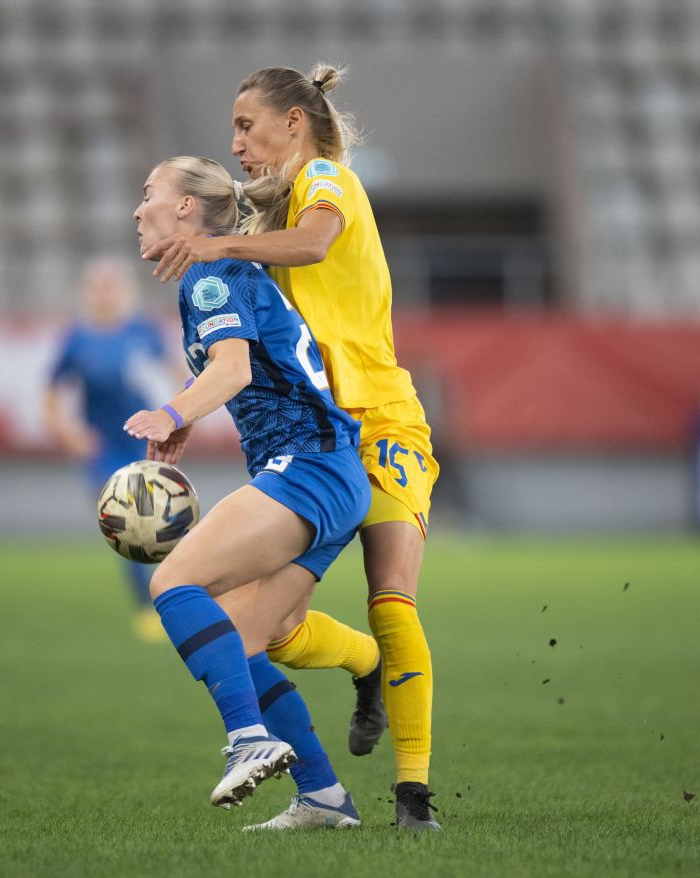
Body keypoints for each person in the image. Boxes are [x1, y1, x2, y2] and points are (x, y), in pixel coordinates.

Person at [145, 64, 442, 831]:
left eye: (247, 125)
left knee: (391, 596)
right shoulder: (260, 240)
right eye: (233, 129)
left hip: (378, 419)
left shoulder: (324, 178)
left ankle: (414, 798)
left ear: (294, 122)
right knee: (261, 633)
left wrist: (217, 250)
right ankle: (326, 787)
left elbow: (313, 246)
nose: (236, 141)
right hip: (326, 437)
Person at [128, 155, 371, 829]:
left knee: (173, 584)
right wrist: (185, 414)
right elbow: (247, 369)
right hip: (331, 475)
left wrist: (173, 413)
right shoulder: (225, 272)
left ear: (185, 209)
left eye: (149, 193)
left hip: (308, 468)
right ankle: (323, 796)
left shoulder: (209, 274)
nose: (136, 208)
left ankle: (248, 738)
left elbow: (232, 368)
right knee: (241, 637)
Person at [42, 257, 172, 642]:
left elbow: (176, 376)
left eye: (112, 286)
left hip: (143, 441)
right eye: (99, 287)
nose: (106, 294)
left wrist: (176, 416)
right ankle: (145, 607)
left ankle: (173, 595)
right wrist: (69, 433)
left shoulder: (143, 332)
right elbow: (50, 392)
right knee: (129, 523)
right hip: (105, 449)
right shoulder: (77, 339)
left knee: (162, 523)